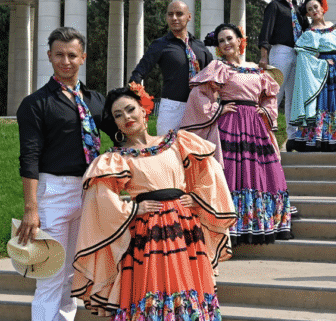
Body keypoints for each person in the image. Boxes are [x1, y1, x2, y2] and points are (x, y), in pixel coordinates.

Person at [71, 87, 236, 318]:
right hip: (147, 234)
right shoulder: (116, 159)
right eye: (119, 115)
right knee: (152, 287)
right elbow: (99, 198)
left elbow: (210, 172)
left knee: (187, 287)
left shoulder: (178, 141)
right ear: (115, 123)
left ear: (144, 110)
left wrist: (197, 197)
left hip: (184, 227)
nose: (127, 117)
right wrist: (133, 208)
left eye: (130, 110)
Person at [16, 27, 115, 321]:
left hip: (88, 192)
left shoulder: (95, 100)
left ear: (82, 57)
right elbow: (29, 158)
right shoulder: (35, 104)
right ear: (49, 56)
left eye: (72, 55)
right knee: (49, 274)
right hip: (53, 193)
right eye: (59, 54)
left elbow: (122, 135)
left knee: (72, 274)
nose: (66, 61)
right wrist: (30, 208)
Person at [182, 24, 294, 245]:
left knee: (263, 173)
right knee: (232, 173)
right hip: (230, 125)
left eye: (229, 38)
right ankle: (231, 227)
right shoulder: (218, 67)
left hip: (255, 126)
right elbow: (199, 93)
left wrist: (266, 111)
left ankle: (260, 224)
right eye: (221, 41)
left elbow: (270, 95)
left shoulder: (256, 68)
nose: (226, 44)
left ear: (240, 40)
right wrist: (217, 109)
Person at [129, 0, 213, 135]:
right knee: (167, 152)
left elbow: (213, 76)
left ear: (189, 17)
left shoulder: (199, 46)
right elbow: (138, 73)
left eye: (179, 14)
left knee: (198, 152)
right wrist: (139, 102)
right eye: (170, 14)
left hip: (199, 107)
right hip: (172, 108)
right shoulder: (160, 44)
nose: (174, 18)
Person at [287, 0, 336, 152]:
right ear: (307, 14)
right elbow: (303, 56)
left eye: (316, 7)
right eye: (309, 9)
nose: (314, 10)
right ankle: (322, 138)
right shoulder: (309, 34)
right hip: (323, 74)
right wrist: (322, 62)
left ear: (322, 8)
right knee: (323, 104)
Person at [259, 0, 310, 145]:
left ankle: (292, 136)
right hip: (281, 50)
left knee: (293, 97)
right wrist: (264, 55)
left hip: (298, 52)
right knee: (276, 93)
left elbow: (307, 29)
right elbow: (266, 29)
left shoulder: (297, 9)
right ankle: (265, 131)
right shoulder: (275, 5)